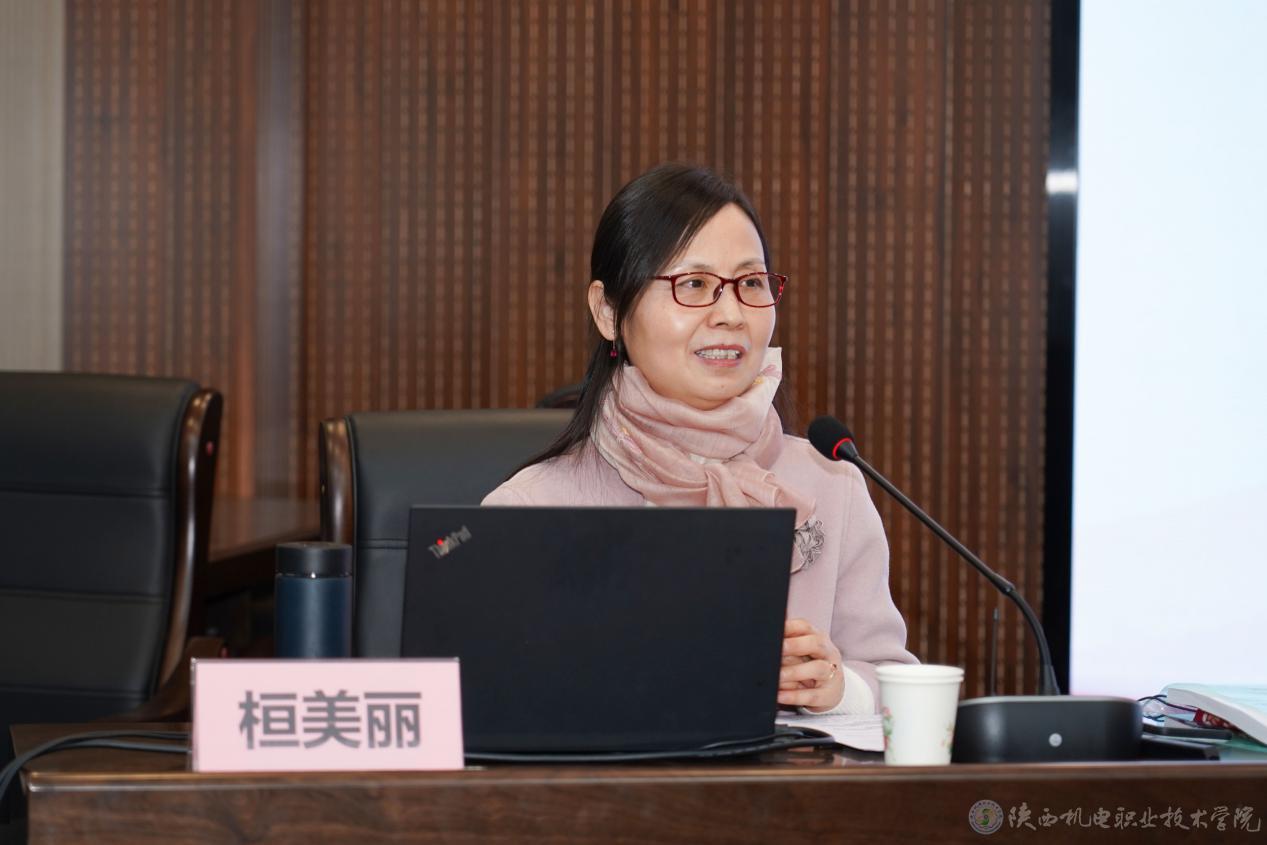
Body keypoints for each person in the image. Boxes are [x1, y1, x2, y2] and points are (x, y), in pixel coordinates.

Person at [484, 163, 916, 714]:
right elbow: (483, 705)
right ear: (608, 311)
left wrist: (837, 689)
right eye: (693, 285)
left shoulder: (831, 485)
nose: (731, 314)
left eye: (750, 283)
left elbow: (898, 690)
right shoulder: (528, 512)